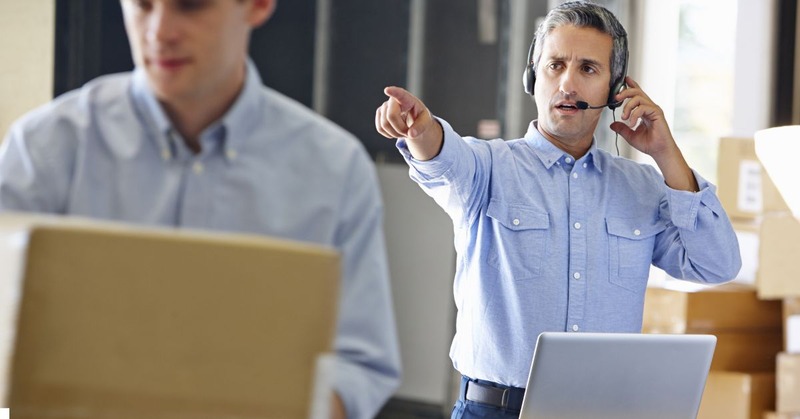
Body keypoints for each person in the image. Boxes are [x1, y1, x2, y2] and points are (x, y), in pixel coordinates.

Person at [0, 0, 400, 417]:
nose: (159, 32)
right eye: (142, 6)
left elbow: (360, 365)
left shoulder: (334, 169)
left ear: (259, 5)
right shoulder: (44, 147)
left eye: (190, 5)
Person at [375, 1, 741, 418]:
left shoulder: (642, 187)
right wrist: (421, 128)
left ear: (614, 88)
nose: (568, 82)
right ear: (533, 76)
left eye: (588, 69)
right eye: (555, 65)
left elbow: (717, 263)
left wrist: (667, 154)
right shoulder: (488, 168)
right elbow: (443, 156)